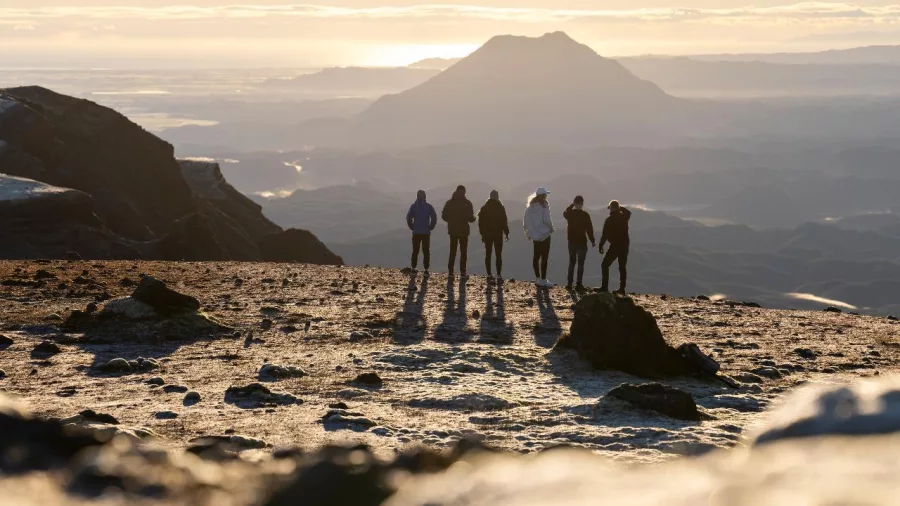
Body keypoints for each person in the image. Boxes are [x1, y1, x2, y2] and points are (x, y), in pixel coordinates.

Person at [441, 185, 476, 277]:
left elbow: (444, 216)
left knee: (452, 250)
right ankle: (463, 271)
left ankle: (451, 271)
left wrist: (451, 221)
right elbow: (471, 218)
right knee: (463, 251)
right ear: (464, 192)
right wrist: (474, 218)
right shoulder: (467, 203)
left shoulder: (449, 203)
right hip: (464, 230)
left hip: (453, 230)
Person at [598, 200, 632, 294]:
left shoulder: (609, 220)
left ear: (611, 208)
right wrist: (620, 208)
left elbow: (604, 235)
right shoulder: (624, 217)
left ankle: (604, 287)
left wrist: (601, 245)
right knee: (622, 266)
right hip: (625, 245)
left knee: (605, 265)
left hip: (615, 245)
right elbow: (629, 212)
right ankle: (622, 289)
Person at [523, 187, 555, 287]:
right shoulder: (545, 206)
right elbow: (546, 220)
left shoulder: (529, 208)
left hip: (535, 236)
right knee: (544, 257)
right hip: (545, 235)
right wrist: (551, 228)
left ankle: (537, 278)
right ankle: (544, 279)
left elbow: (525, 222)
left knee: (536, 257)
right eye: (545, 195)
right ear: (543, 196)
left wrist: (528, 233)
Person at [563, 195, 595, 291]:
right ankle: (578, 284)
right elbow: (589, 229)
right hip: (582, 242)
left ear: (575, 203)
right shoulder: (585, 215)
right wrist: (592, 240)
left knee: (572, 263)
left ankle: (569, 284)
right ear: (582, 204)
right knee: (581, 264)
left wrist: (571, 205)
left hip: (572, 242)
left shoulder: (570, 214)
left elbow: (564, 213)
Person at [478, 190, 510, 282]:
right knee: (498, 255)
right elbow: (504, 221)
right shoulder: (501, 207)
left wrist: (482, 234)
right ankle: (499, 275)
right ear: (497, 197)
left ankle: (489, 274)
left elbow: (480, 223)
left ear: (490, 196)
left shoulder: (484, 207)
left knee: (488, 254)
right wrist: (506, 233)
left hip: (487, 234)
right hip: (498, 234)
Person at [406, 189, 437, 274]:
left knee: (415, 250)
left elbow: (409, 217)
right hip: (426, 232)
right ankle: (426, 269)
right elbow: (434, 217)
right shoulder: (428, 206)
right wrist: (431, 226)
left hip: (416, 232)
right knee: (426, 250)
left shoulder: (413, 206)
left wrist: (412, 226)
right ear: (425, 196)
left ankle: (413, 267)